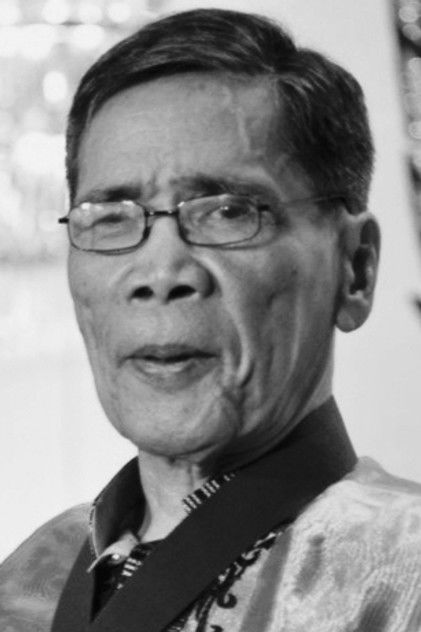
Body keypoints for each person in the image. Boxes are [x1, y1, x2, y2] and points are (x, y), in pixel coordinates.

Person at [1, 7, 421, 632]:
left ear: (355, 269)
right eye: (111, 216)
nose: (159, 273)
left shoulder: (401, 572)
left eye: (227, 212)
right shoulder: (30, 580)